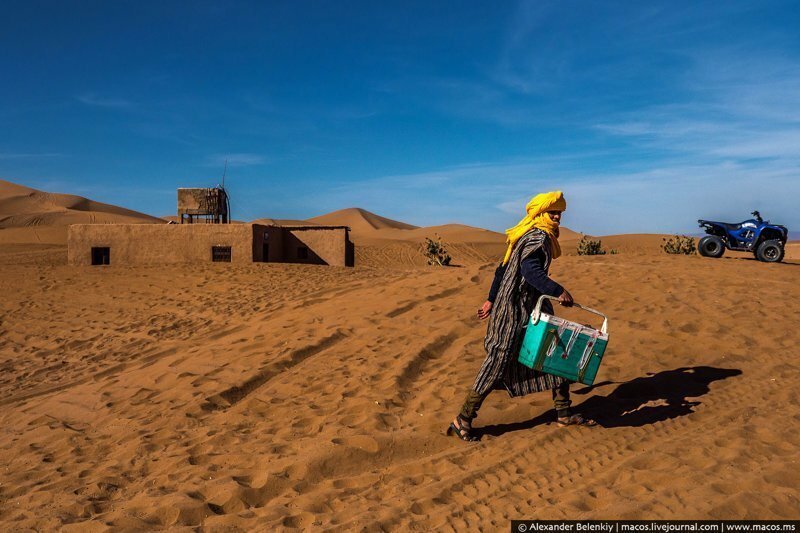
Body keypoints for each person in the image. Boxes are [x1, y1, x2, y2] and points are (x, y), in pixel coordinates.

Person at [446, 190, 596, 442]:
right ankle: (463, 418)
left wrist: (489, 299)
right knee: (498, 360)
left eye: (559, 212)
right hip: (513, 310)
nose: (558, 216)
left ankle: (564, 412)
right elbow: (529, 272)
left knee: (555, 349)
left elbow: (501, 270)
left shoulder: (527, 235)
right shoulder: (536, 236)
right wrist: (559, 291)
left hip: (532, 307)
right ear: (540, 213)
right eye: (553, 212)